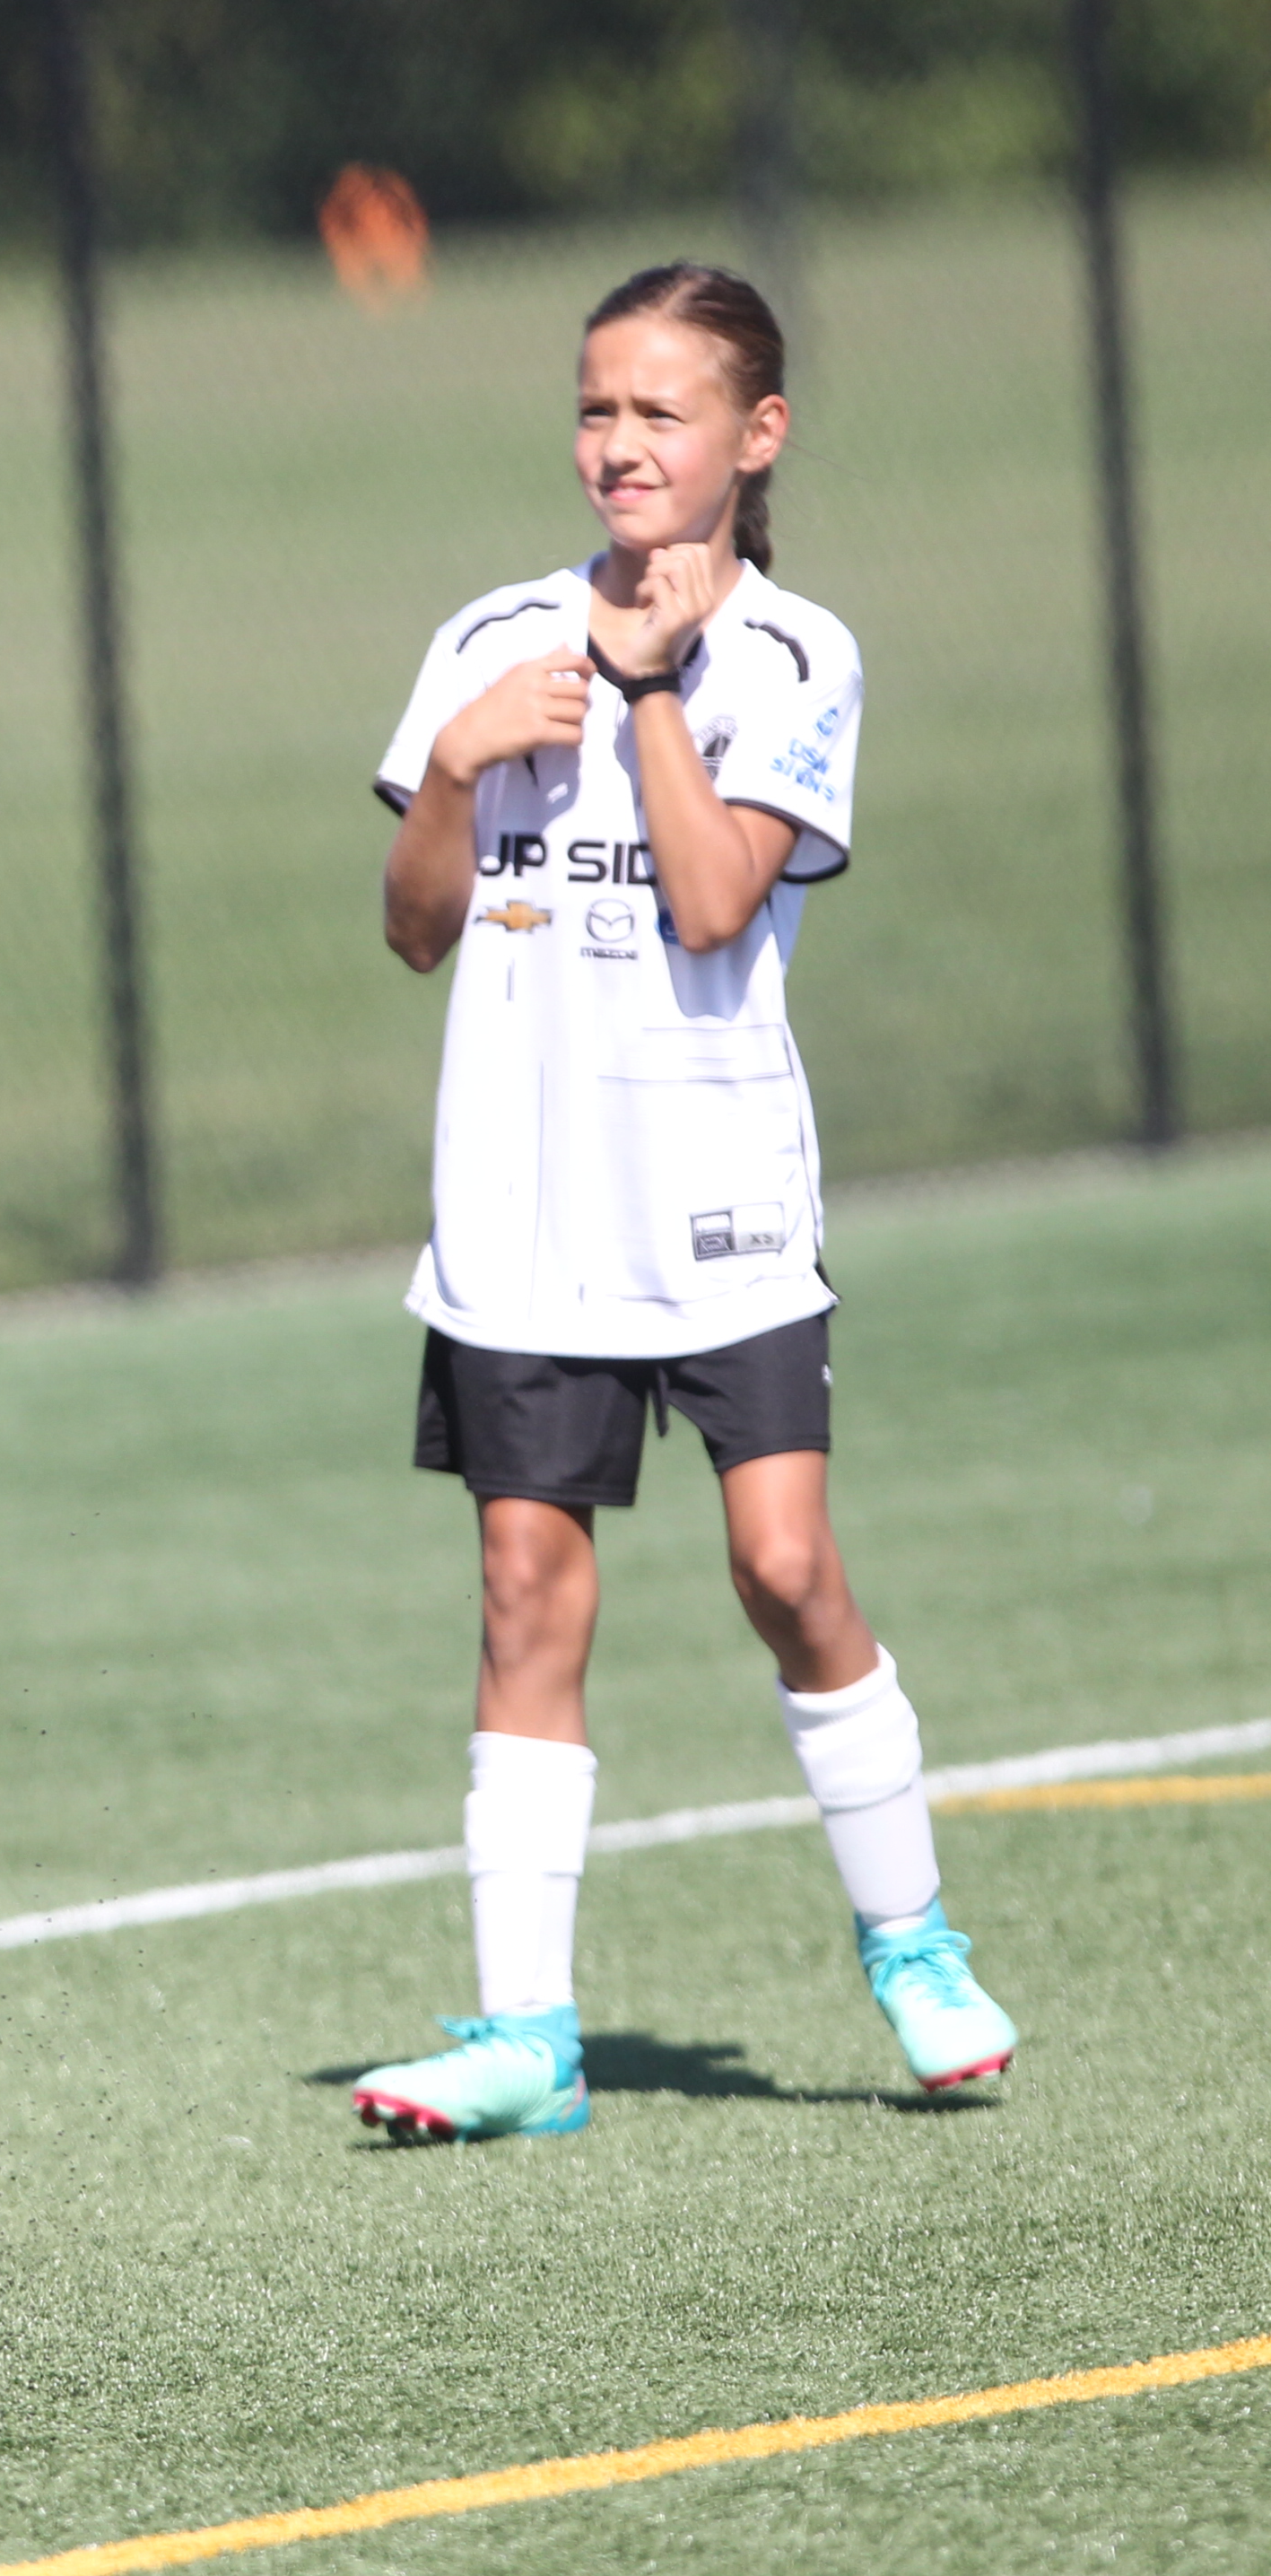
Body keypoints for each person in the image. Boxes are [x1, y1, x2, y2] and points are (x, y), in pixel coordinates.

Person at [350, 261, 1017, 2144]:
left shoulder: (799, 657)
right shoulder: (492, 634)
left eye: (663, 411)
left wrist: (644, 689)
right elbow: (416, 929)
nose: (621, 443)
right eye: (598, 408)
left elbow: (719, 902)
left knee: (784, 1570)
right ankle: (526, 2040)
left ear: (756, 434)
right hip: (518, 1209)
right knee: (522, 1593)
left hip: (716, 1195)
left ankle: (914, 1946)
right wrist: (457, 766)